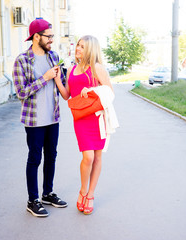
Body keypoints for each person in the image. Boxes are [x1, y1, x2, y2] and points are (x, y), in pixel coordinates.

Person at [12, 18, 68, 217]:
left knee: (51, 156)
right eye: (49, 36)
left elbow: (62, 86)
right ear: (36, 37)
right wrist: (44, 78)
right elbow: (20, 92)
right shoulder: (22, 60)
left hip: (53, 117)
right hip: (34, 120)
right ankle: (32, 199)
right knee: (35, 158)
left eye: (52, 36)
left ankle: (47, 193)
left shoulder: (54, 57)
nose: (52, 40)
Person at [54, 35, 114, 215]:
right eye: (77, 45)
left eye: (82, 46)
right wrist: (57, 78)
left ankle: (90, 195)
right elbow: (67, 95)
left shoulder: (97, 68)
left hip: (96, 118)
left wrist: (93, 90)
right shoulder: (72, 69)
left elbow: (110, 92)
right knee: (87, 157)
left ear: (90, 49)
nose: (77, 49)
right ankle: (82, 190)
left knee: (97, 157)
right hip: (80, 119)